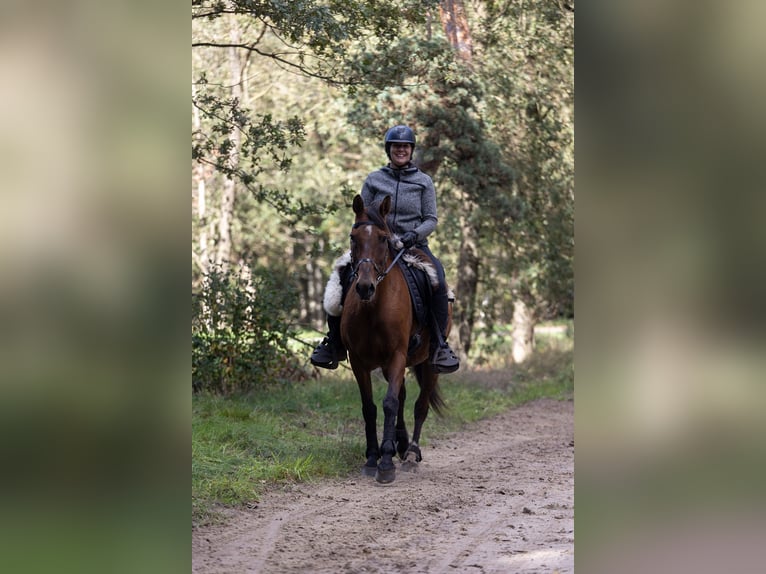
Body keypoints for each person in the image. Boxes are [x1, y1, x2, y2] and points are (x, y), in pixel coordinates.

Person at [310, 124, 460, 373]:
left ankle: (439, 345)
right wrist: (371, 239)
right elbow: (363, 214)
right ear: (388, 150)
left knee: (438, 280)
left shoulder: (424, 182)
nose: (400, 150)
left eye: (405, 146)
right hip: (375, 246)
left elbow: (431, 219)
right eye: (396, 146)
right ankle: (333, 342)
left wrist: (413, 235)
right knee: (339, 276)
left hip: (413, 246)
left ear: (411, 150)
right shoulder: (374, 179)